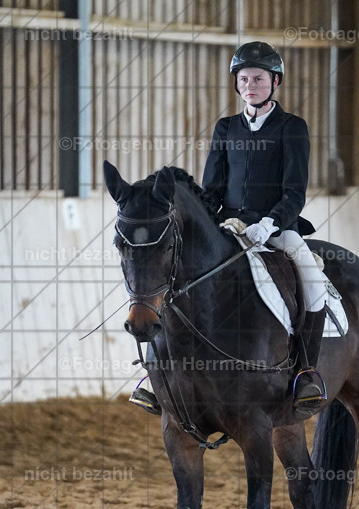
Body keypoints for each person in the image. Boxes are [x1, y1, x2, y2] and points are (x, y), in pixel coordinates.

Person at [130, 41, 327, 419]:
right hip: (230, 225)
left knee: (311, 276)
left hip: (276, 227)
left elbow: (295, 191)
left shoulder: (292, 128)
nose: (250, 85)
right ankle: (156, 375)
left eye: (258, 78)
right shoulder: (226, 128)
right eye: (244, 78)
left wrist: (269, 222)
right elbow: (213, 188)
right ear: (237, 84)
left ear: (274, 82)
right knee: (174, 273)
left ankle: (305, 371)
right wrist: (213, 220)